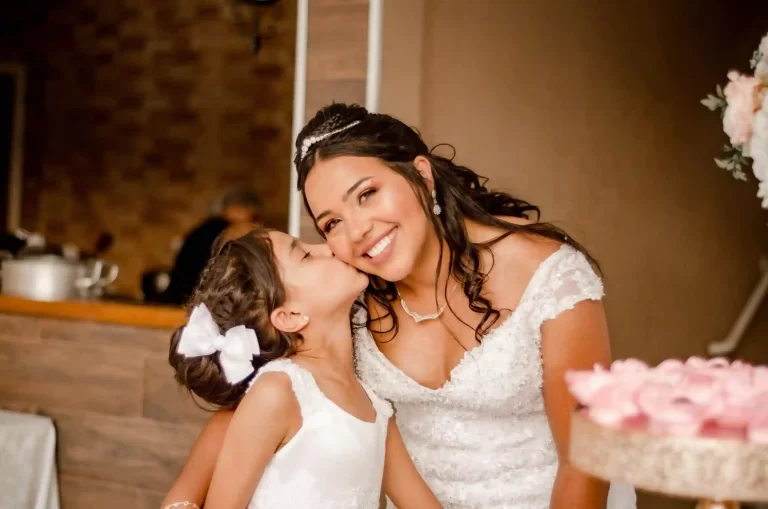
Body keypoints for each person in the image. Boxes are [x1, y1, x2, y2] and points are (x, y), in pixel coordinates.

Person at [164, 104, 637, 509]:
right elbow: (257, 402)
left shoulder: (549, 275)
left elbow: (585, 456)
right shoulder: (346, 300)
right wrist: (183, 496)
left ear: (421, 175)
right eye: (331, 223)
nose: (356, 232)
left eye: (367, 194)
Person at [161, 228, 442, 509]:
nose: (328, 247)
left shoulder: (376, 407)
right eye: (306, 255)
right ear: (291, 316)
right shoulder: (278, 392)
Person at [154, 189, 262, 305]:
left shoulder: (207, 229)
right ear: (238, 209)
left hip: (184, 299)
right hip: (189, 301)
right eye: (253, 217)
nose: (254, 224)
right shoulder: (222, 231)